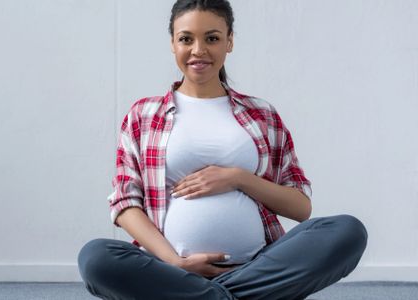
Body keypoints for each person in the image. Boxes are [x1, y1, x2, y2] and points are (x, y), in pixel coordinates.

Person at [78, 0, 368, 299]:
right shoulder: (143, 114)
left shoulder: (262, 114)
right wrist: (175, 262)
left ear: (229, 42)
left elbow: (300, 208)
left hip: (259, 265)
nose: (198, 50)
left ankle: (203, 296)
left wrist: (238, 178)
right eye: (186, 39)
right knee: (96, 257)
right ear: (172, 43)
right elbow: (126, 204)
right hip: (170, 270)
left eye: (212, 38)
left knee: (347, 231)